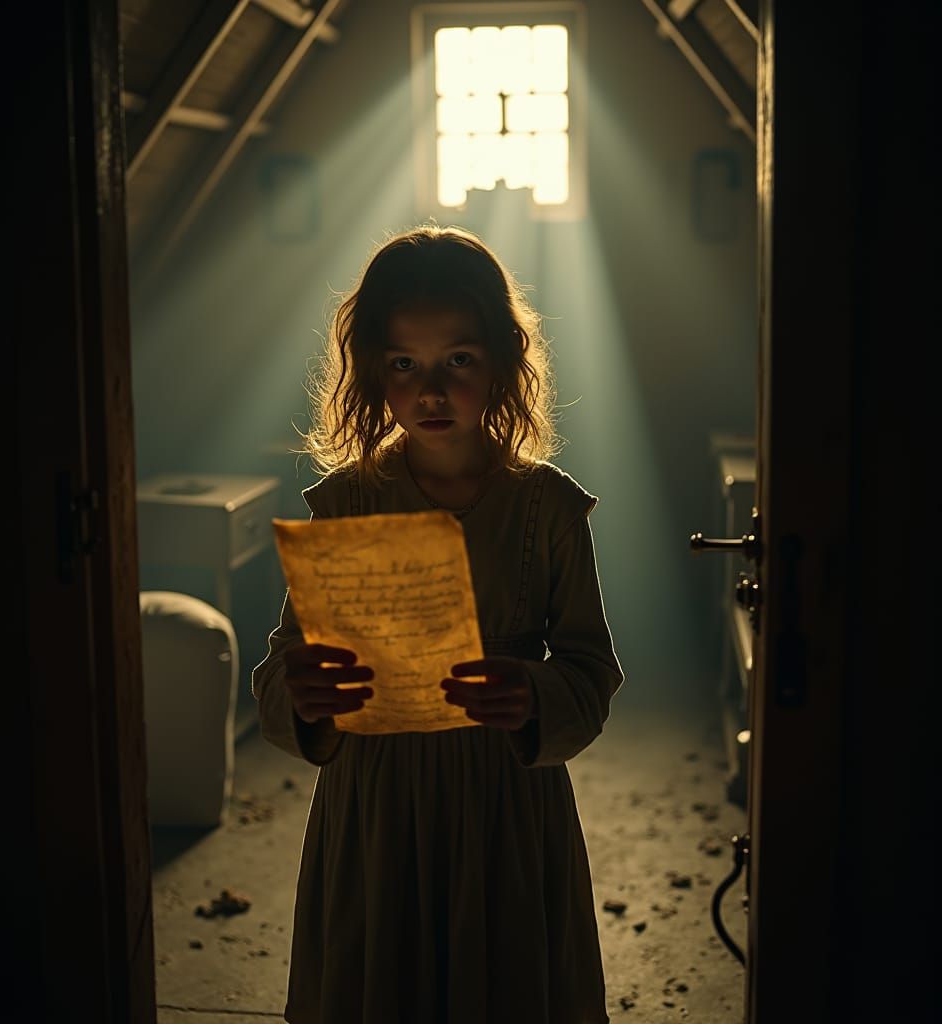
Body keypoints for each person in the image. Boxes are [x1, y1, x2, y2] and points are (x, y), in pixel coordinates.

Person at [252, 224, 625, 1024]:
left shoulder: (549, 509)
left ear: (501, 361)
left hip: (505, 808)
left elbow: (591, 669)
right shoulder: (345, 503)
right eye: (403, 365)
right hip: (376, 808)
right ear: (372, 372)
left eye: (457, 360)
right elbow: (286, 664)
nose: (430, 391)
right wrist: (306, 695)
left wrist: (534, 695)